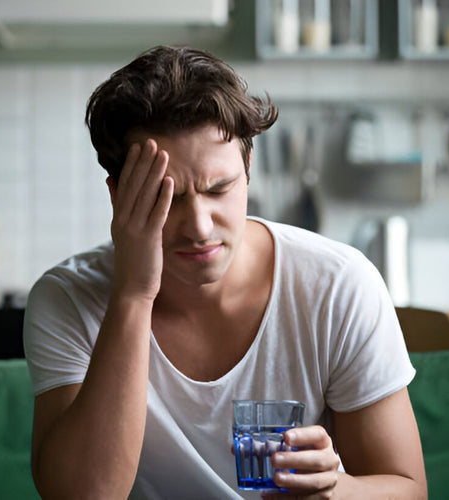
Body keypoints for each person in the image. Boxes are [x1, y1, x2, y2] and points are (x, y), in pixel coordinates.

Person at [23, 45, 427, 499]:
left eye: (220, 188)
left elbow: (408, 489)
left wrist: (336, 491)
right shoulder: (67, 298)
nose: (199, 227)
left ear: (248, 168)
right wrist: (134, 294)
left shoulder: (338, 285)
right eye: (168, 197)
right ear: (118, 197)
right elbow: (84, 495)